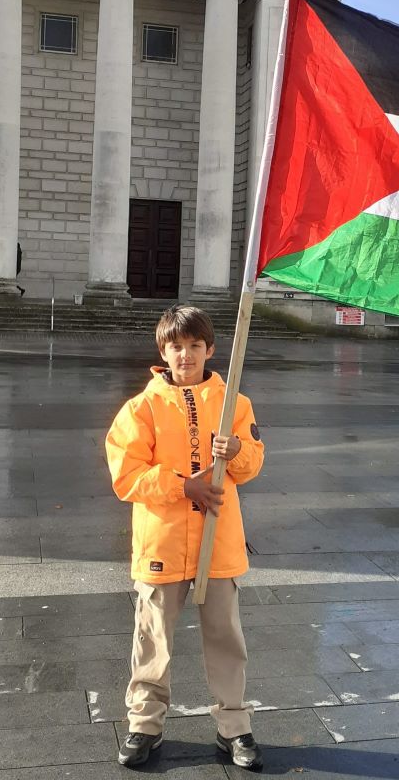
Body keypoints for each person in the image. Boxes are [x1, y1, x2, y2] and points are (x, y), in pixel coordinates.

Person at [105, 305, 265, 770]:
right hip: (163, 543)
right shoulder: (142, 408)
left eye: (196, 345)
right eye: (177, 346)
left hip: (219, 543)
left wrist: (236, 450)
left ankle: (234, 726)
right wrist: (182, 485)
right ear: (163, 351)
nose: (186, 354)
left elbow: (253, 462)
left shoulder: (235, 401)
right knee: (153, 638)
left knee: (225, 637)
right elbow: (126, 474)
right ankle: (144, 725)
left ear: (210, 349)